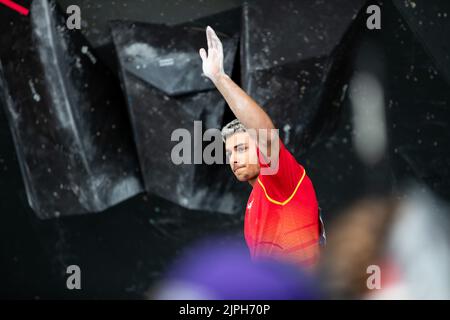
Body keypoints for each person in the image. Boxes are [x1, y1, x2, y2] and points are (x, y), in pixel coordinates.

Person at [199, 26, 323, 269]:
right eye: (229, 153)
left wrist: (219, 77)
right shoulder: (253, 204)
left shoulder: (283, 181)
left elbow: (264, 133)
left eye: (242, 148)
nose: (233, 158)